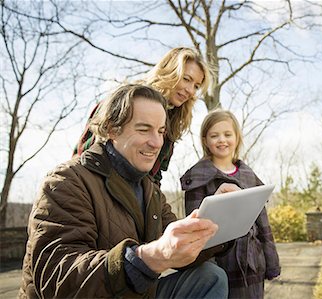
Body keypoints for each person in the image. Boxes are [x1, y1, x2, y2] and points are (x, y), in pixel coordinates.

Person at [19, 84, 238, 298]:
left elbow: (176, 246)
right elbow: (58, 278)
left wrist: (218, 220)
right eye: (144, 129)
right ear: (113, 129)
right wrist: (147, 258)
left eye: (161, 131)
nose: (156, 143)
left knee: (210, 276)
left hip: (138, 293)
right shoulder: (66, 181)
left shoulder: (150, 190)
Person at [73, 47, 211, 185]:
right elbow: (86, 155)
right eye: (186, 79)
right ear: (169, 71)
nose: (190, 90)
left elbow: (155, 175)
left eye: (196, 86)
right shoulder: (124, 102)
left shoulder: (173, 121)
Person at [180, 109, 281, 298]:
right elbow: (194, 226)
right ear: (205, 140)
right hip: (217, 264)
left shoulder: (250, 178)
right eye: (214, 135)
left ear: (237, 138)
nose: (222, 140)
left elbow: (264, 225)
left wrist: (271, 263)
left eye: (227, 134)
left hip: (252, 263)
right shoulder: (197, 179)